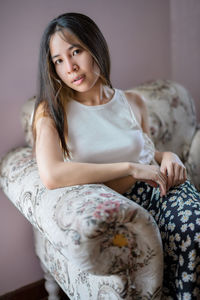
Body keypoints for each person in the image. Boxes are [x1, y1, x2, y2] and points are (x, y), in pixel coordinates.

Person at [32, 12, 200, 299]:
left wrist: (168, 155)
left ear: (95, 46)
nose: (70, 67)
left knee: (195, 233)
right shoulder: (52, 110)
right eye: (58, 60)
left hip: (160, 190)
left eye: (76, 51)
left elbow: (146, 153)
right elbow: (52, 175)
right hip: (120, 209)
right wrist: (130, 168)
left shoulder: (133, 102)